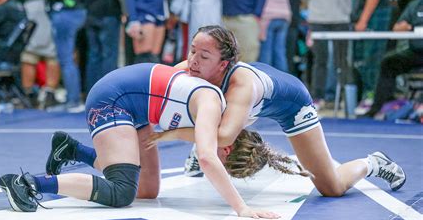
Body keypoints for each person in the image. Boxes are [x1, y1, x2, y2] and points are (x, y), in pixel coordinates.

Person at [0, 63, 282, 219]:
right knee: (122, 191)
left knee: (145, 190)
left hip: (137, 106)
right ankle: (29, 183)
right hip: (117, 99)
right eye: (227, 165)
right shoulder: (213, 113)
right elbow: (208, 159)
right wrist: (241, 207)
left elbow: (179, 131)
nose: (220, 168)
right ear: (227, 148)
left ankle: (72, 150)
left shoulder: (219, 121)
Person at [170, 25, 405, 197]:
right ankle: (197, 149)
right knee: (186, 95)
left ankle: (373, 162)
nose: (193, 61)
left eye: (203, 56)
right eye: (192, 51)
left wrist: (171, 134)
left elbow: (226, 136)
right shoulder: (192, 68)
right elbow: (155, 84)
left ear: (223, 64)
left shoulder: (241, 87)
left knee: (331, 188)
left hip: (292, 104)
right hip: (251, 98)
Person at [33, 0, 87, 113]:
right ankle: (74, 98)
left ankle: (73, 100)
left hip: (66, 14)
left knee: (65, 58)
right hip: (70, 13)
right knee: (68, 57)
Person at [362, 0, 423, 118]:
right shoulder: (415, 5)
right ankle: (377, 108)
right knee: (388, 62)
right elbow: (397, 28)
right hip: (415, 52)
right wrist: (405, 28)